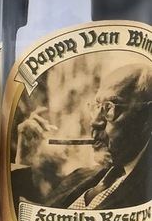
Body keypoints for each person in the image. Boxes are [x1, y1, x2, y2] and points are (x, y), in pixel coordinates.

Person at [11, 64, 152, 210]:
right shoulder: (82, 176)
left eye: (110, 108)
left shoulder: (145, 190)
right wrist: (25, 163)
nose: (94, 122)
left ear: (147, 116)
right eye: (97, 106)